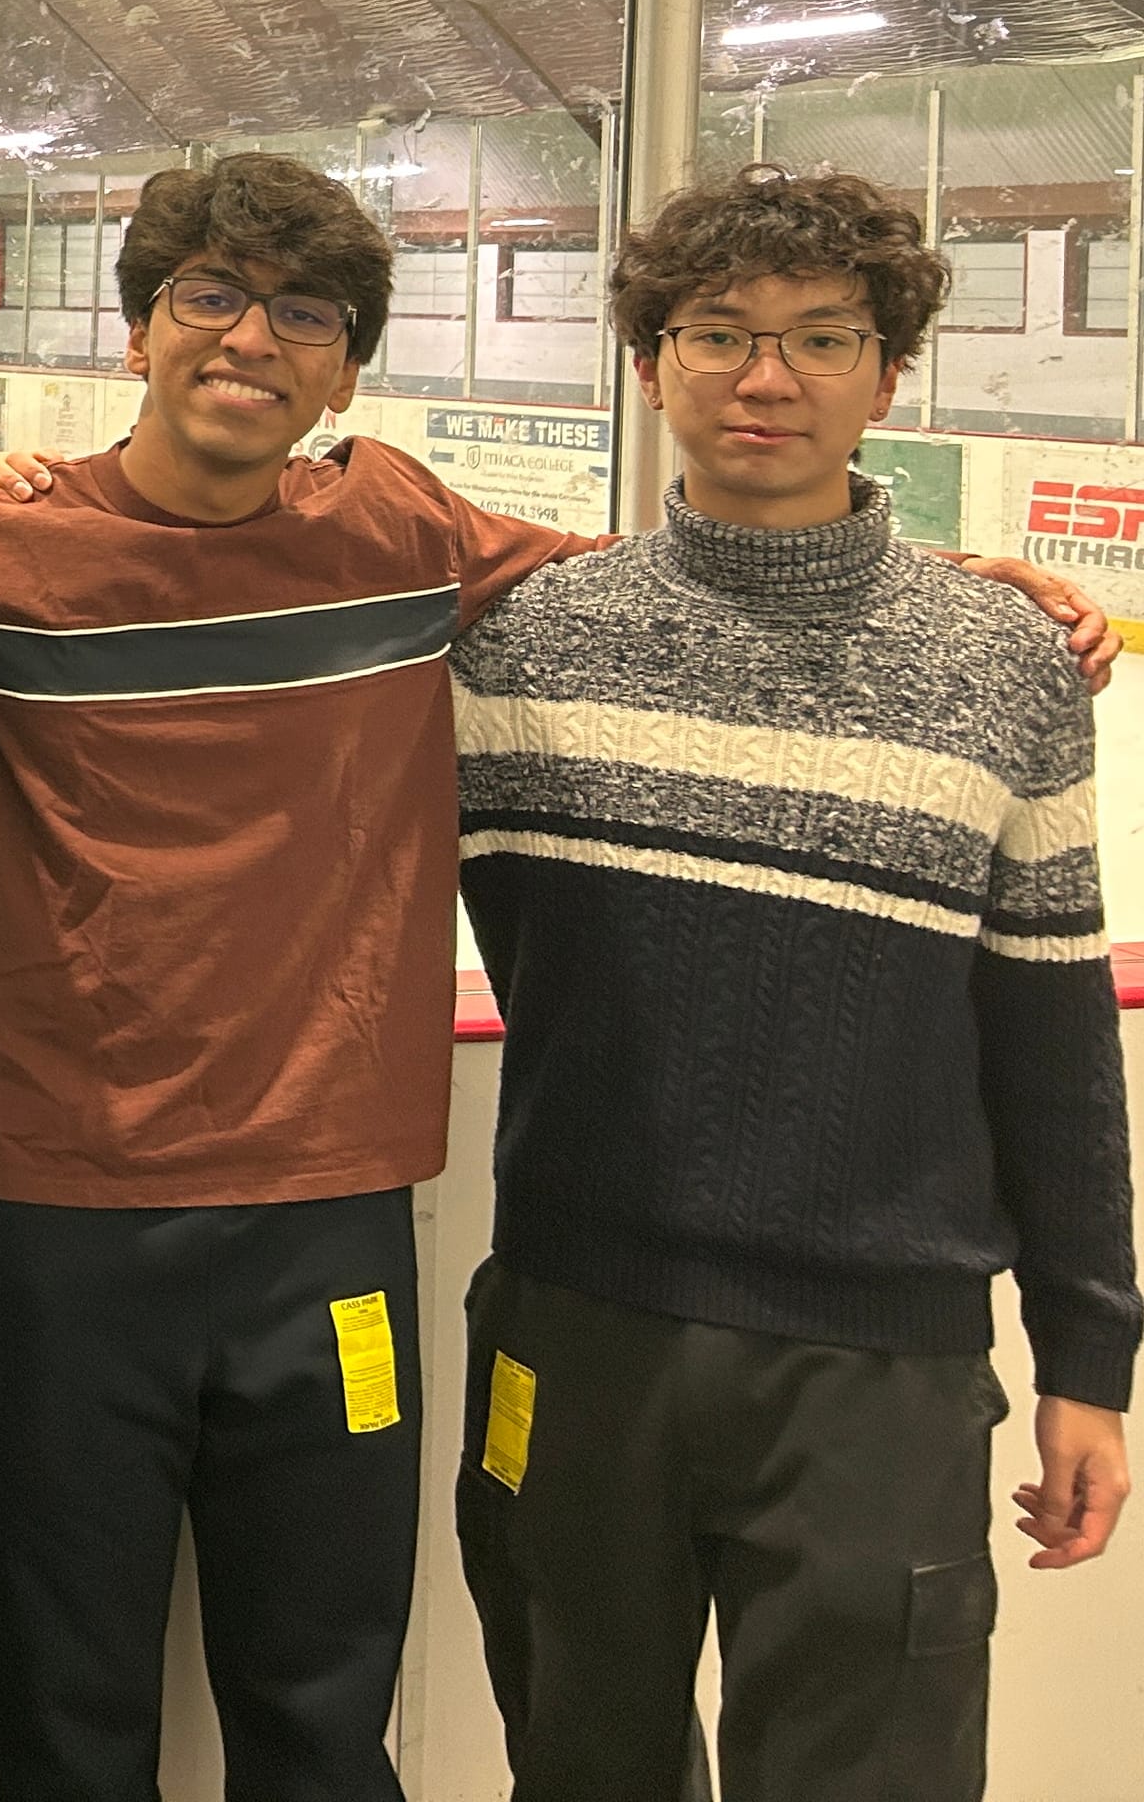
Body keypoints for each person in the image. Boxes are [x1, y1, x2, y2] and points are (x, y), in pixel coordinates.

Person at [0, 152, 1113, 1802]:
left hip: (352, 1238)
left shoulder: (406, 536)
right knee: (72, 1709)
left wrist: (959, 595)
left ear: (347, 370)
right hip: (94, 1229)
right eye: (207, 296)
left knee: (330, 1710)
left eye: (306, 315)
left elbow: (727, 595)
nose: (251, 340)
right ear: (137, 329)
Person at [448, 164, 1134, 1801]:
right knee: (579, 1769)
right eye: (722, 334)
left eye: (823, 340)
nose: (769, 377)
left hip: (876, 1377)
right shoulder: (522, 647)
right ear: (651, 362)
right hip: (574, 1327)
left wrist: (1089, 1362)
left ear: (888, 376)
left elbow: (1051, 1047)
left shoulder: (1001, 670)